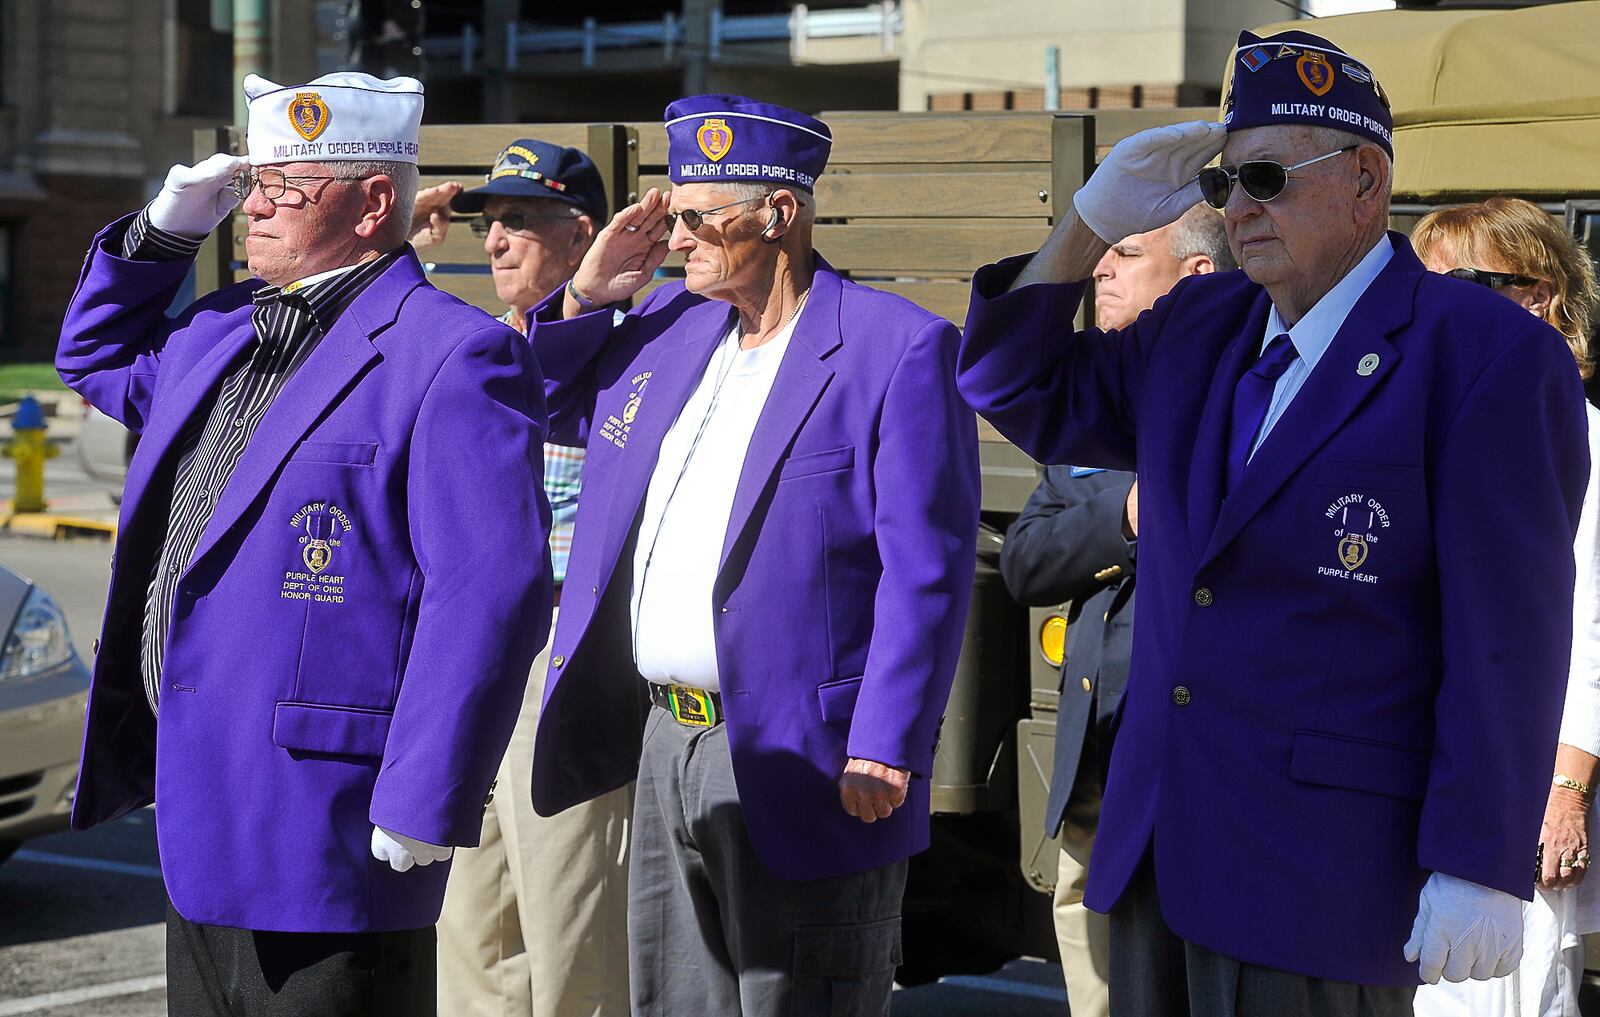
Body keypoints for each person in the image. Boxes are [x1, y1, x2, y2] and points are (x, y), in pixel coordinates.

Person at [956, 28, 1590, 1017]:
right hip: (1160, 844)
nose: (1238, 206)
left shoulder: (1484, 355)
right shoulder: (1197, 330)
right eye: (1223, 184)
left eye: (1263, 175)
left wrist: (1479, 858)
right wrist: (1087, 224)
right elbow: (1014, 382)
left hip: (1323, 871)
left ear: (1364, 183)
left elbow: (1507, 632)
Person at [56, 71, 552, 1017]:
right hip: (202, 808)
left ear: (373, 204)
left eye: (290, 184)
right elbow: (94, 353)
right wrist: (164, 231)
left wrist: (426, 793)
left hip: (331, 821)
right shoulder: (216, 331)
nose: (259, 205)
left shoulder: (451, 353)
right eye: (255, 182)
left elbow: (490, 594)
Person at [524, 94, 980, 1017]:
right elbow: (532, 399)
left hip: (805, 755)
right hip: (664, 739)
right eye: (674, 213)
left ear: (778, 215)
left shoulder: (895, 347)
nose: (679, 236)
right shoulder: (665, 327)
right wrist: (585, 295)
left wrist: (887, 741)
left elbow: (926, 567)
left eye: (697, 216)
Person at [411, 140, 633, 1017]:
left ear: (580, 235)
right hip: (478, 661)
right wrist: (396, 236)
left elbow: (557, 386)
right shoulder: (489, 341)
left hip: (562, 665)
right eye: (488, 222)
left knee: (570, 930)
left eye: (519, 221)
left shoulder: (628, 348)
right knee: (471, 932)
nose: (495, 240)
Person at [999, 201, 1234, 1017]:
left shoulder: (1242, 395)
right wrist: (1129, 514)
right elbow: (1025, 561)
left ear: (1196, 276)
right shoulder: (1092, 409)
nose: (1099, 268)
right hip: (1095, 772)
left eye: (1126, 252)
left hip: (1187, 781)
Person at [1410, 196, 1600, 1017]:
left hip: (1513, 802)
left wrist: (1564, 790)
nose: (1435, 302)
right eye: (1424, 284)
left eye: (1470, 282)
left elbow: (1589, 627)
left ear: (1543, 295)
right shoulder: (1416, 422)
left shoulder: (1580, 433)